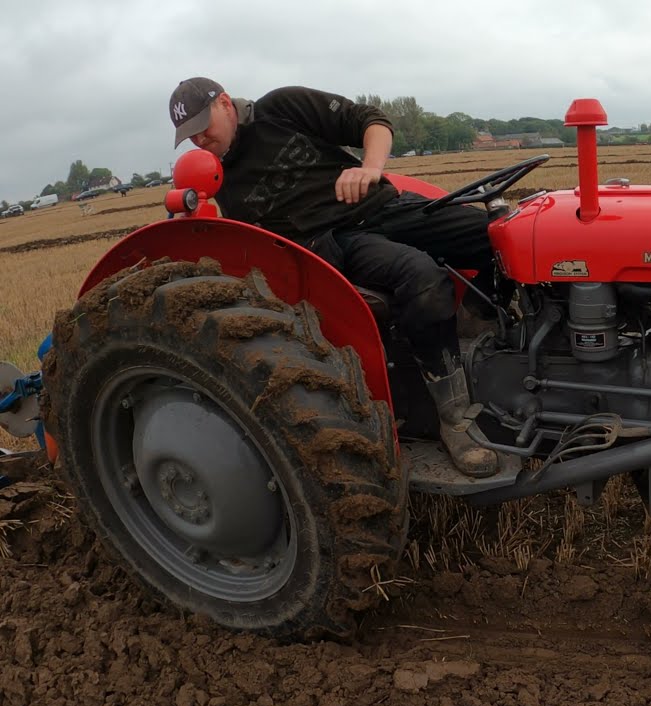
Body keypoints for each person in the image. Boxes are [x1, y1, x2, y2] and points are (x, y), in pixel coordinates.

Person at [168, 77, 499, 478]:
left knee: (505, 237)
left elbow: (371, 121)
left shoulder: (281, 108)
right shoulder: (221, 179)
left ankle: (481, 316)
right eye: (190, 135)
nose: (200, 138)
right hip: (339, 241)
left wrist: (369, 169)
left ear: (225, 103)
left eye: (204, 124)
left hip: (381, 204)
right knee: (424, 280)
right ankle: (455, 418)